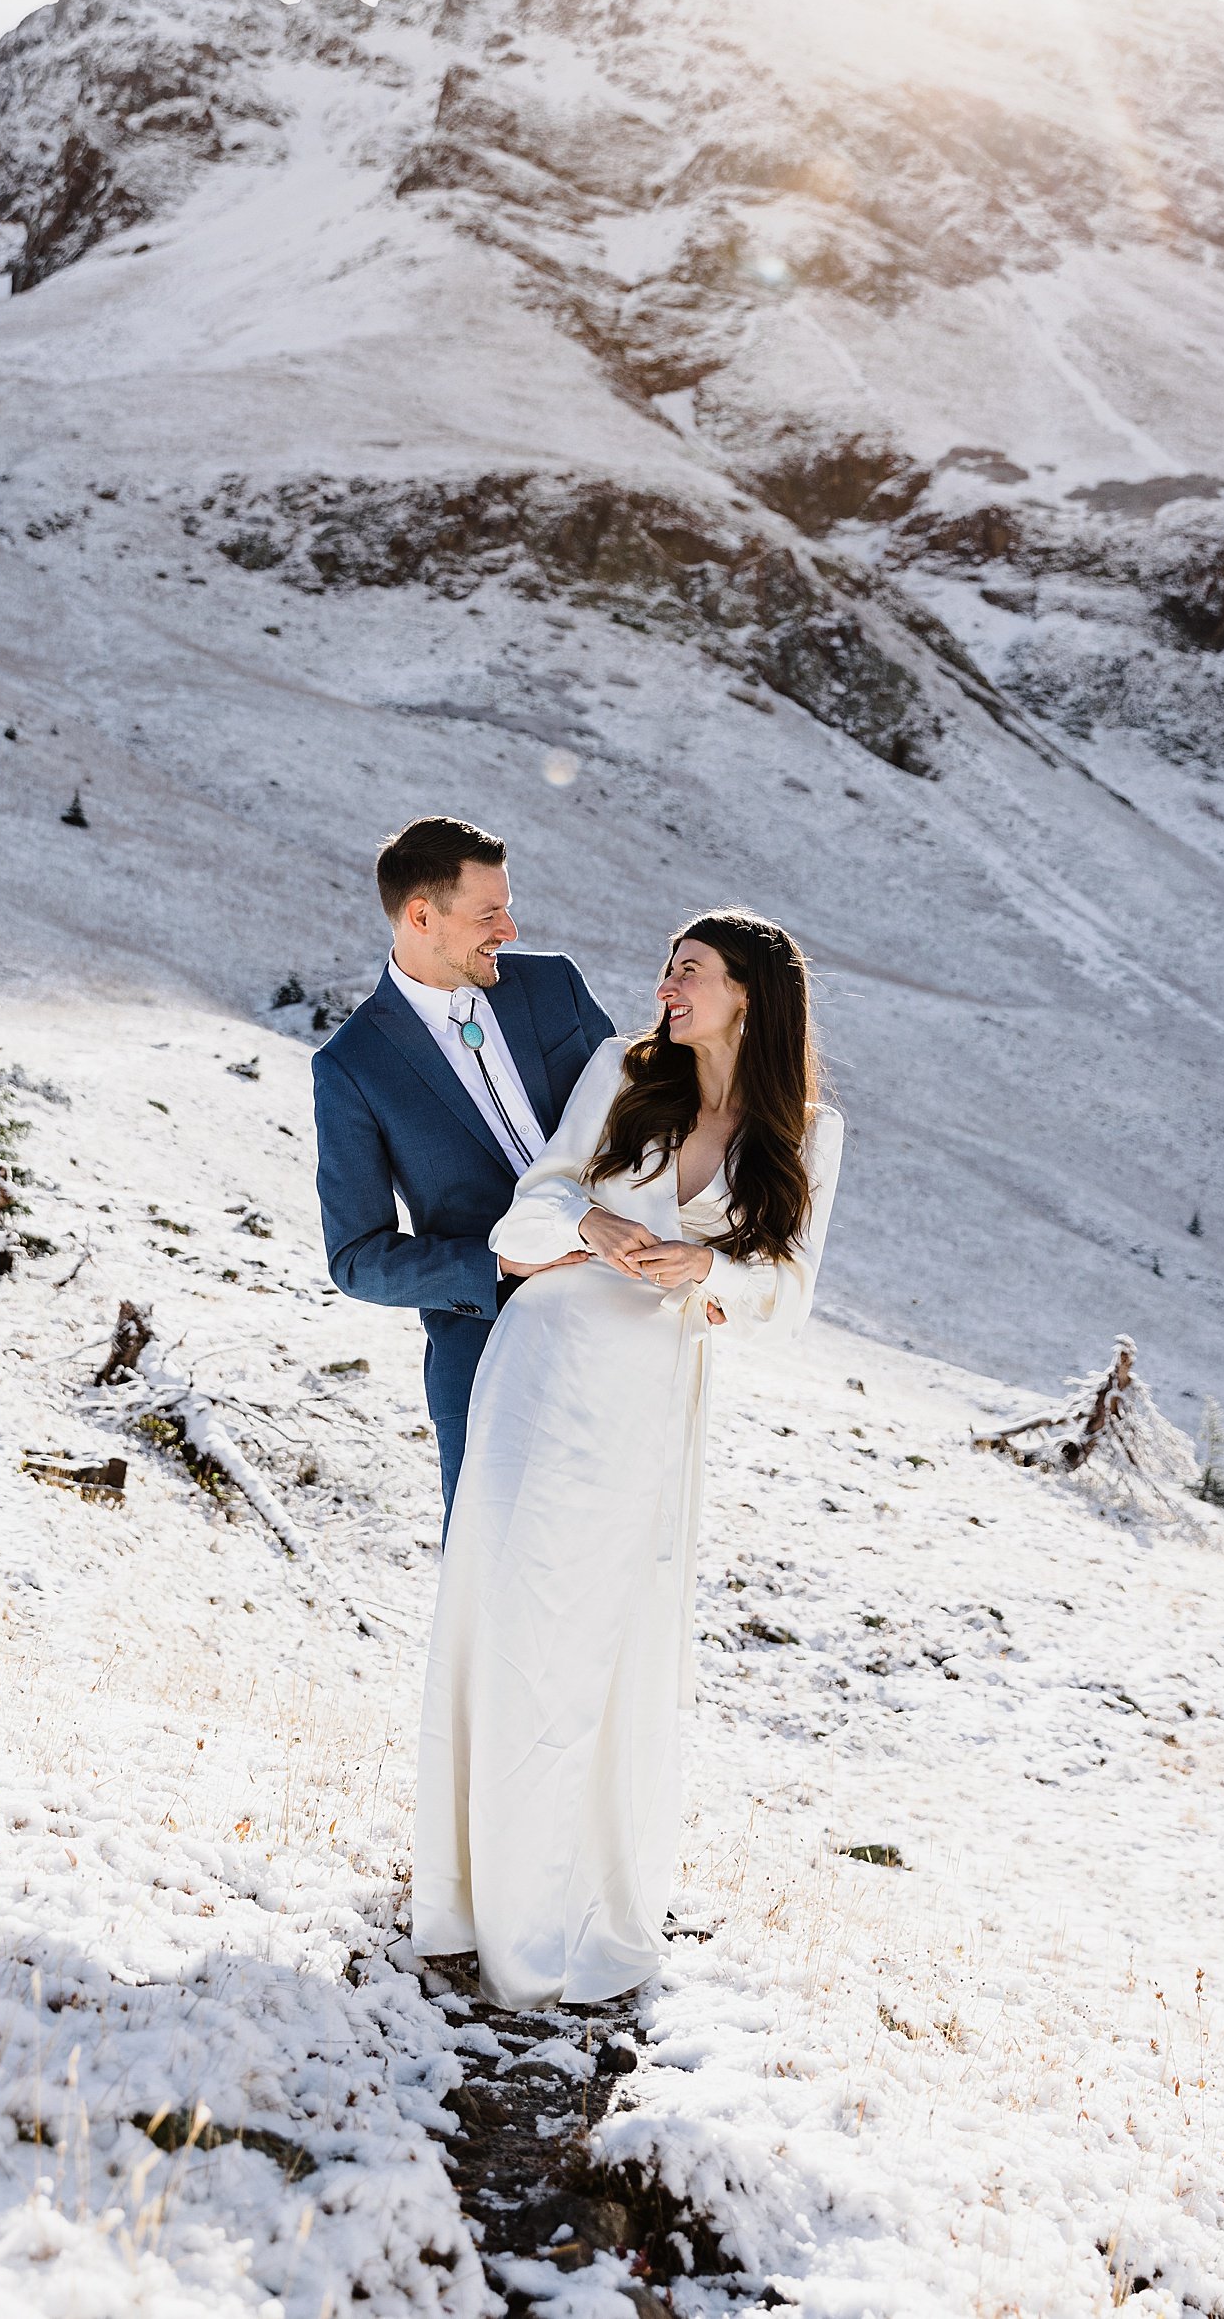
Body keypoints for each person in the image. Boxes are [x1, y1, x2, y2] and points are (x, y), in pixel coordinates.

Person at [413, 910, 844, 2010]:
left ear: (750, 990)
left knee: (598, 1647)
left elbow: (784, 1297)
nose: (665, 983)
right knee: (513, 1620)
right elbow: (537, 1203)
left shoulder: (807, 1129)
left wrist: (704, 1263)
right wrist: (592, 1230)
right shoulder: (623, 1067)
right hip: (547, 1355)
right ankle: (471, 1898)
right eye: (665, 964)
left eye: (689, 969)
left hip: (647, 1399)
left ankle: (566, 1902)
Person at [312, 816, 614, 1524]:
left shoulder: (555, 986)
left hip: (622, 1328)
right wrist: (498, 1264)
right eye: (488, 913)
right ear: (422, 915)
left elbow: (647, 1128)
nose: (508, 928)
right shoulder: (352, 1067)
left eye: (507, 907)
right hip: (487, 1361)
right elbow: (357, 1258)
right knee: (495, 1588)